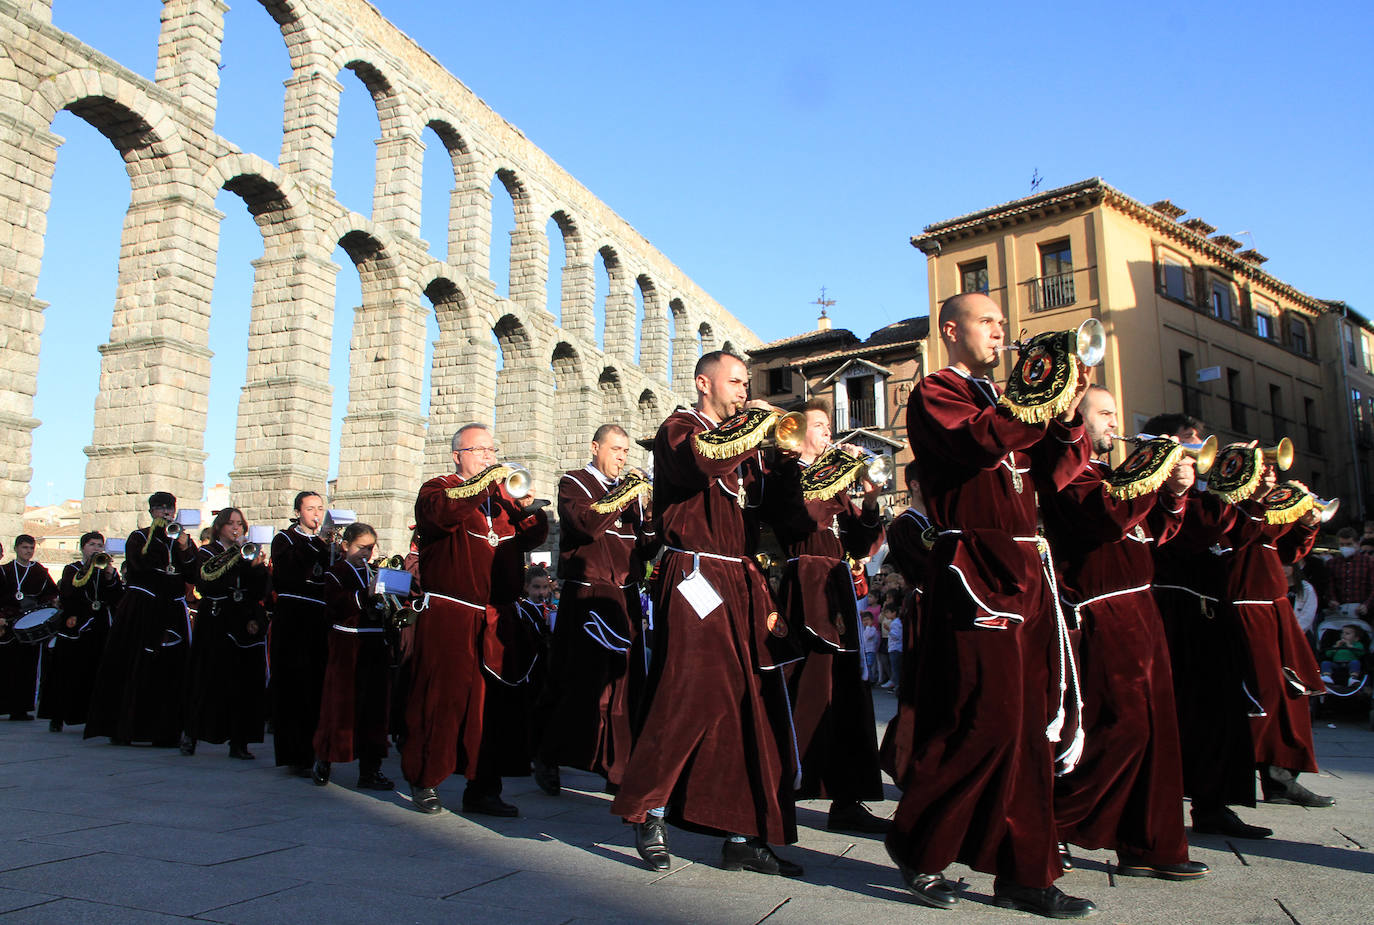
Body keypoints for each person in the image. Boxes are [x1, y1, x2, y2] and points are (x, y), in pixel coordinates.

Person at [885, 292, 1094, 918]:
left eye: (1004, 323)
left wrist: (1069, 411)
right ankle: (917, 842)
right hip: (977, 569)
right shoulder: (933, 393)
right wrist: (1037, 395)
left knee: (1030, 726)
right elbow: (982, 443)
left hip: (1027, 568)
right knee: (986, 720)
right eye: (987, 322)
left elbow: (1051, 473)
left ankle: (1025, 871)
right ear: (951, 330)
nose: (1001, 332)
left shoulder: (1000, 400)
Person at [610, 350, 804, 877]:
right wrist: (755, 424)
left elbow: (779, 515)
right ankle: (646, 809)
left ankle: (741, 830)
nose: (744, 390)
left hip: (737, 577)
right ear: (704, 383)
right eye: (736, 381)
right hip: (694, 572)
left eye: (746, 383)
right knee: (687, 692)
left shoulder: (743, 448)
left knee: (747, 704)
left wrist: (787, 463)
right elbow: (701, 461)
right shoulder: (679, 429)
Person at [1041, 385, 1208, 882]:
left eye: (1117, 413)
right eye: (1105, 414)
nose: (1115, 423)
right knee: (1119, 730)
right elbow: (1109, 519)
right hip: (1102, 613)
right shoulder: (1069, 476)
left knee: (1158, 733)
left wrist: (1174, 491)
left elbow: (1159, 532)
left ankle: (1149, 844)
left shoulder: (1112, 474)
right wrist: (1153, 475)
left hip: (1142, 608)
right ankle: (1049, 823)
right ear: (1079, 422)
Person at [402, 423, 549, 816]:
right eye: (479, 449)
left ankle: (483, 789)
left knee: (491, 708)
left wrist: (528, 509)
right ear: (458, 455)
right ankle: (425, 778)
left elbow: (530, 538)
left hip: (494, 615)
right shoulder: (438, 488)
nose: (488, 456)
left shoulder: (498, 498)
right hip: (450, 612)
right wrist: (485, 483)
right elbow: (441, 517)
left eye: (491, 449)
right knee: (442, 699)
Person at [758, 398, 886, 835]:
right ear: (797, 431)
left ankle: (847, 799)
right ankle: (787, 789)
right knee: (808, 690)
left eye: (830, 426)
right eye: (819, 425)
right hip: (805, 586)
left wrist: (868, 504)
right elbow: (800, 522)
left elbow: (859, 539)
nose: (829, 433)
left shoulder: (834, 483)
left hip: (839, 590)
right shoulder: (784, 474)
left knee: (849, 695)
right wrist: (835, 481)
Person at [1144, 413, 1270, 840]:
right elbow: (1195, 530)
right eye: (1187, 443)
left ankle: (1214, 803)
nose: (1196, 451)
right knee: (1189, 712)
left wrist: (1253, 495)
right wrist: (1231, 487)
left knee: (1221, 712)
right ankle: (1177, 804)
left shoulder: (1201, 493)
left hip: (1213, 610)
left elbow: (1236, 537)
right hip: (1178, 613)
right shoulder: (1159, 489)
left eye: (1197, 444)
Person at [535, 424, 657, 797]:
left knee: (625, 683)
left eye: (625, 451)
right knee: (580, 682)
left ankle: (616, 763)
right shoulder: (573, 483)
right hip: (588, 596)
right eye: (615, 449)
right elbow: (585, 526)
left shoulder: (630, 495)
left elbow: (645, 551)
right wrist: (625, 495)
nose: (622, 458)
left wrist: (651, 517)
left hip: (624, 595)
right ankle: (549, 754)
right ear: (595, 447)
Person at [1224, 459, 1331, 808]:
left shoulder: (1266, 512)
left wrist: (1305, 525)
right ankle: (1261, 777)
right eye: (1264, 474)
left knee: (1290, 694)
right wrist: (1272, 505)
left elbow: (1288, 552)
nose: (1271, 479)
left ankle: (1283, 779)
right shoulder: (1233, 508)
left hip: (1274, 608)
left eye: (1272, 474)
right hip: (1248, 609)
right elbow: (1246, 536)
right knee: (1264, 697)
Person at [86, 492, 198, 746]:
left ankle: (165, 731)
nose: (165, 513)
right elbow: (139, 565)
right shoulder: (138, 537)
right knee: (136, 664)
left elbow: (192, 573)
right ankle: (126, 728)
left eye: (169, 509)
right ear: (151, 512)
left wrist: (183, 546)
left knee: (170, 669)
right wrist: (157, 538)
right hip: (143, 606)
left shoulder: (181, 539)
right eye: (160, 509)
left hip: (171, 608)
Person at [182, 508, 268, 759]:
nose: (235, 528)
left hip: (243, 615)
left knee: (244, 681)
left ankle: (240, 740)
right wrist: (235, 557)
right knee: (208, 677)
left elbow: (260, 589)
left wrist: (255, 568)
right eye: (230, 524)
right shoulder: (208, 552)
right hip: (217, 616)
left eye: (239, 524)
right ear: (220, 527)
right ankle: (192, 732)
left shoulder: (248, 550)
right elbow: (207, 582)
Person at [313, 522, 394, 790]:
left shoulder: (376, 571)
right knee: (340, 705)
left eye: (370, 548)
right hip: (347, 643)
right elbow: (334, 606)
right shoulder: (336, 573)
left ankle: (370, 770)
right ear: (346, 546)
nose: (366, 553)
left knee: (374, 708)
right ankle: (324, 758)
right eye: (361, 548)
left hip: (373, 644)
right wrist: (365, 594)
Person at [269, 491, 333, 775]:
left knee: (315, 684)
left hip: (318, 617)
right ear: (298, 512)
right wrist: (320, 544)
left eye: (320, 508)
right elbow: (289, 571)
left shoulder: (327, 544)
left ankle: (315, 751)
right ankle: (293, 754)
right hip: (293, 614)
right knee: (292, 683)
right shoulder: (285, 539)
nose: (316, 514)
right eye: (310, 509)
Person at [40, 532, 123, 732]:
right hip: (76, 625)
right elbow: (69, 592)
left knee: (96, 672)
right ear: (83, 548)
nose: (96, 548)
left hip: (99, 625)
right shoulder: (72, 569)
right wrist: (88, 569)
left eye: (99, 545)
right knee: (66, 671)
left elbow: (117, 596)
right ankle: (58, 716)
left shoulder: (106, 570)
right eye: (92, 544)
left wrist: (110, 575)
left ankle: (94, 717)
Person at [0, 534, 59, 721]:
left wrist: (50, 605)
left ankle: (21, 708)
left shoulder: (39, 571)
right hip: (9, 622)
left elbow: (49, 593)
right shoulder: (5, 570)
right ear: (16, 548)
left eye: (31, 548)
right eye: (24, 547)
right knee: (6, 666)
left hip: (30, 622)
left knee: (28, 667)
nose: (28, 551)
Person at [1326, 527, 1374, 619]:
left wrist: (1367, 605)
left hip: (1363, 611)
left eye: (1348, 544)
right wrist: (1332, 600)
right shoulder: (1331, 563)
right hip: (1339, 610)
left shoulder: (1368, 562)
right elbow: (1330, 587)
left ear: (1357, 544)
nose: (1345, 547)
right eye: (1342, 544)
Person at [1284, 563, 1318, 639]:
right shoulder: (1274, 587)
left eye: (1286, 565)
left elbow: (1309, 613)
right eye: (1280, 565)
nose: (1283, 568)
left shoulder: (1306, 588)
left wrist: (1294, 631)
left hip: (1300, 634)